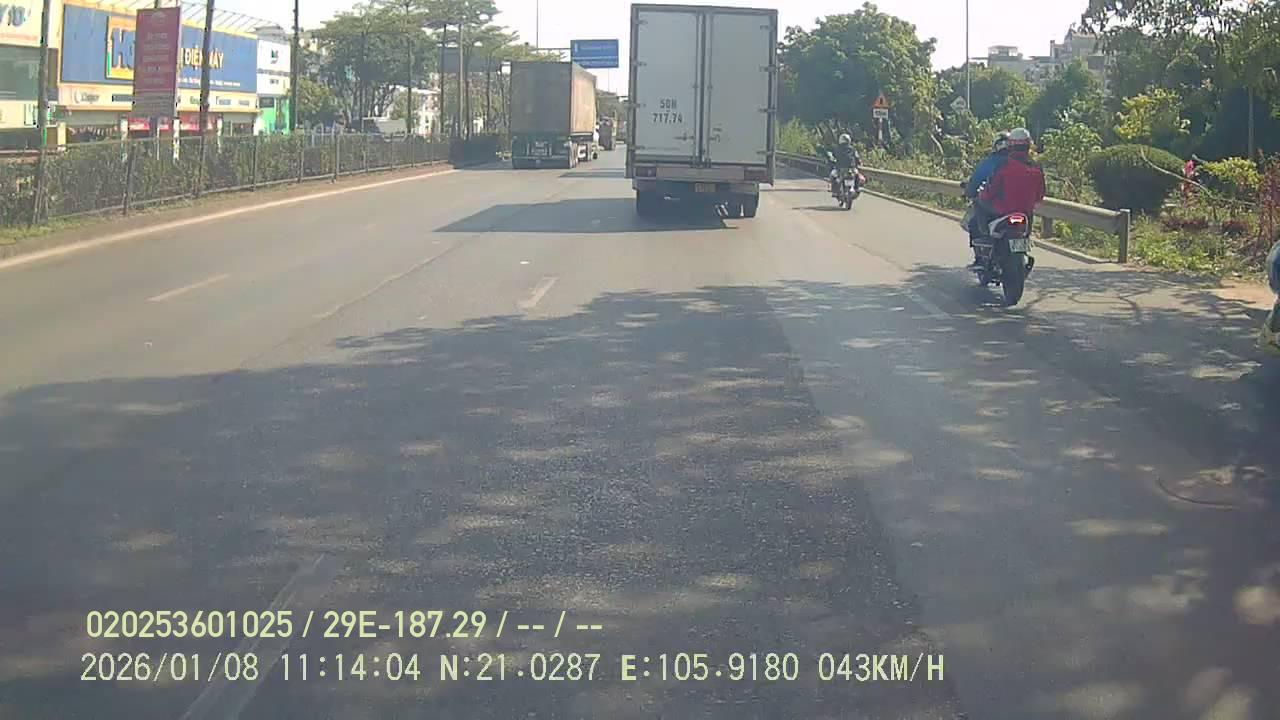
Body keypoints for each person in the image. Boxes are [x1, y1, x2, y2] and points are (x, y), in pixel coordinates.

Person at [967, 128, 1046, 263]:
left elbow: (991, 188)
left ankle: (985, 237)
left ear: (1011, 145)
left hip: (1002, 210)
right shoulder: (1036, 167)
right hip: (1025, 212)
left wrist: (982, 195)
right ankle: (1024, 243)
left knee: (978, 203)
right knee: (1028, 220)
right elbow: (1040, 194)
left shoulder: (1004, 165)